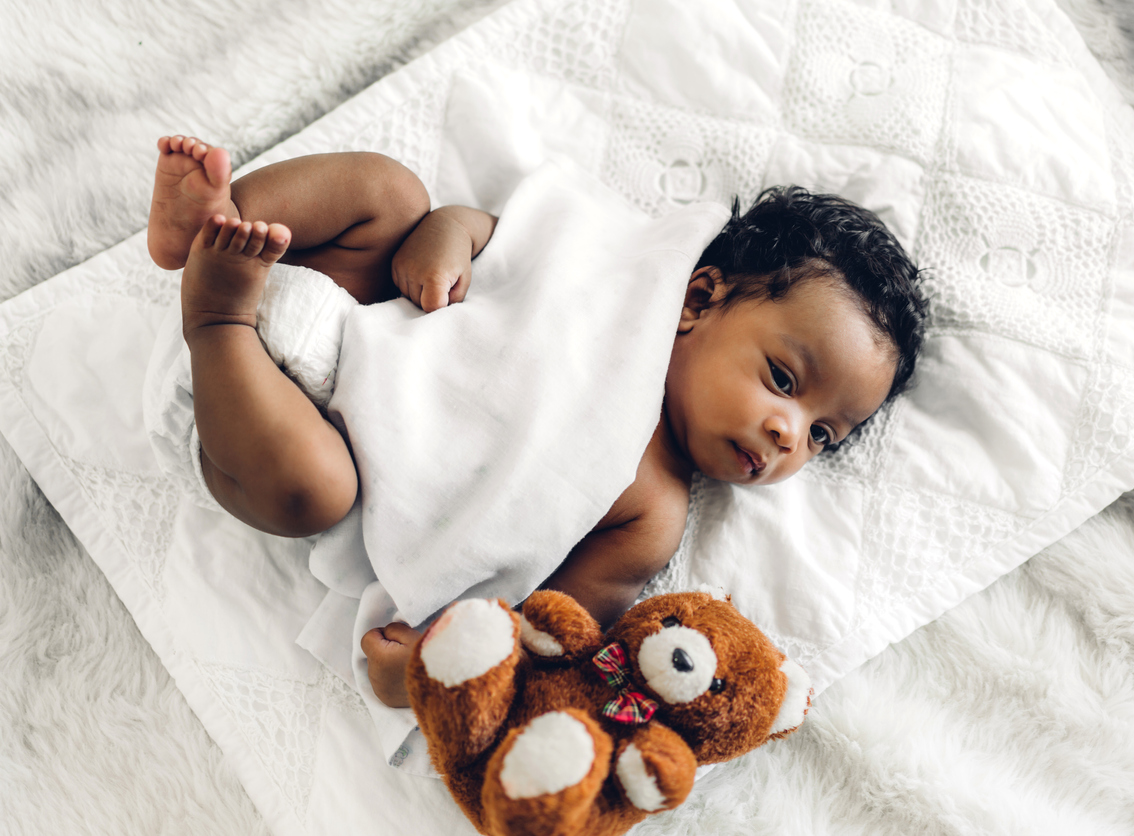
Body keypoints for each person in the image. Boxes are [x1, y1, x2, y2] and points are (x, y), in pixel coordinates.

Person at [147, 135, 927, 706]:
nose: (791, 434)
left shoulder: (650, 513)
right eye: (784, 380)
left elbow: (538, 629)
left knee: (309, 491)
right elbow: (499, 234)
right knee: (388, 190)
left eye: (824, 435)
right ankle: (217, 219)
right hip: (362, 304)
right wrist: (442, 237)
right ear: (698, 300)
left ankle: (215, 318)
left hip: (297, 425)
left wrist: (428, 669)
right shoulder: (609, 267)